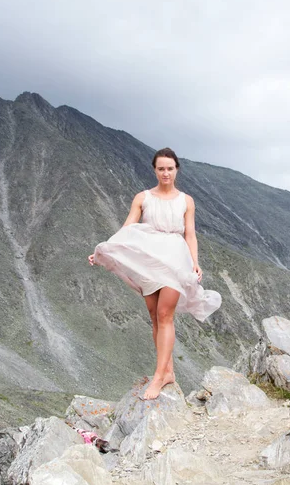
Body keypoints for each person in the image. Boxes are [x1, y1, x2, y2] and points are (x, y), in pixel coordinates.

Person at [88, 147, 221, 400]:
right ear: (154, 170)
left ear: (176, 169)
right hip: (149, 259)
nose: (165, 173)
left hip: (175, 258)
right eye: (161, 168)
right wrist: (105, 251)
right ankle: (168, 370)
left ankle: (159, 377)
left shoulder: (186, 201)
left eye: (170, 168)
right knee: (154, 315)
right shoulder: (143, 197)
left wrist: (195, 262)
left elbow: (190, 234)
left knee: (165, 313)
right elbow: (127, 229)